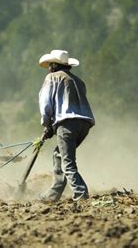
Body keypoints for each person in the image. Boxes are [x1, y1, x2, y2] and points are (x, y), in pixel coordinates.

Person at [38, 49, 95, 201]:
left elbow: (45, 103)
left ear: (55, 65)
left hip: (67, 124)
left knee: (67, 162)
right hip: (84, 124)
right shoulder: (78, 81)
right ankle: (53, 194)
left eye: (50, 64)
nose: (49, 67)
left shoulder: (52, 77)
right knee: (59, 155)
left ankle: (81, 193)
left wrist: (47, 124)